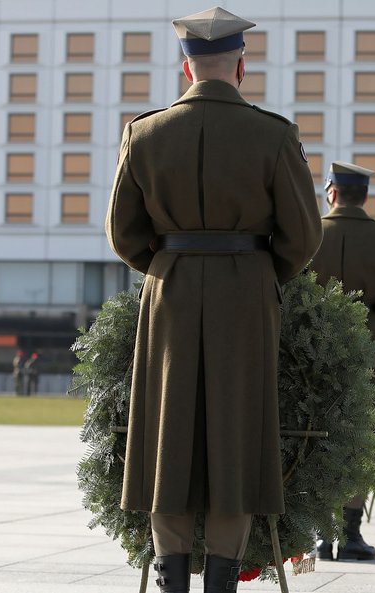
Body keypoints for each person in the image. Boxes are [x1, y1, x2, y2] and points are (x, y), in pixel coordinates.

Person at [106, 7, 322, 592]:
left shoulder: (144, 133)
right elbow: (304, 237)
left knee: (167, 436)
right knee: (237, 433)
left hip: (169, 292)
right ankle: (222, 581)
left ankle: (172, 577)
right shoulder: (275, 134)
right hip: (246, 293)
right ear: (242, 67)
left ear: (186, 68)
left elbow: (122, 233)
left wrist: (168, 266)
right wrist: (257, 272)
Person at [309, 161, 375, 560]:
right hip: (369, 339)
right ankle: (351, 533)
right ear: (364, 196)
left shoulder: (313, 232)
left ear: (331, 192)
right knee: (362, 436)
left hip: (313, 342)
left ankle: (321, 533)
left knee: (316, 433)